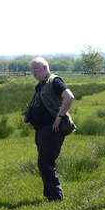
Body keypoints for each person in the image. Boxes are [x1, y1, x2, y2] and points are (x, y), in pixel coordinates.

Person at [27, 57, 74, 201]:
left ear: (46, 67)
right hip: (41, 129)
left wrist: (59, 116)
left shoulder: (54, 81)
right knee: (45, 162)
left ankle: (56, 196)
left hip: (51, 128)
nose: (33, 71)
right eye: (32, 69)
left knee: (45, 162)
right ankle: (49, 195)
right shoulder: (42, 83)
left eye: (36, 68)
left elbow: (69, 97)